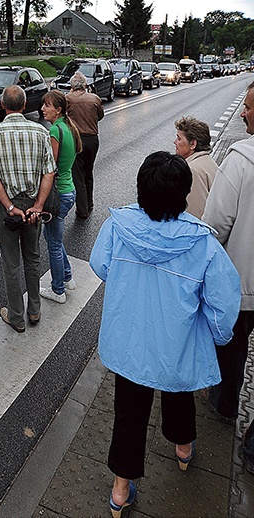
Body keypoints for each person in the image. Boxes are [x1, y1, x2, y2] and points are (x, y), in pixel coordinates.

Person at [90, 151, 240, 517]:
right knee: (179, 394)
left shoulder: (118, 226)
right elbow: (224, 304)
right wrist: (219, 338)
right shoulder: (202, 243)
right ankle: (184, 449)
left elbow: (100, 265)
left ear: (141, 189)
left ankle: (121, 490)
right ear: (184, 194)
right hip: (178, 342)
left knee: (128, 413)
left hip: (128, 343)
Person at [203, 81, 254, 457]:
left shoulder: (240, 159)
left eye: (249, 108)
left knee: (232, 348)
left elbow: (216, 223)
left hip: (243, 282)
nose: (243, 113)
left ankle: (224, 405)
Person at [0, 85, 56, 332]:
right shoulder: (40, 132)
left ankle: (16, 316)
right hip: (33, 205)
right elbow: (49, 172)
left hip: (9, 207)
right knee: (33, 257)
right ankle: (34, 310)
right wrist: (38, 205)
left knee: (11, 262)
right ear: (25, 106)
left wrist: (10, 205)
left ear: (3, 106)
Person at [40, 90, 82, 303]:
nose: (42, 109)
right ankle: (67, 277)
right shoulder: (68, 127)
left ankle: (58, 291)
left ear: (58, 110)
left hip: (58, 194)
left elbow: (51, 168)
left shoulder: (55, 131)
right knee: (52, 238)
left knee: (53, 244)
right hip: (69, 190)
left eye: (47, 106)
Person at [67, 71, 104, 219]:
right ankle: (89, 203)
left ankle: (82, 209)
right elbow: (100, 116)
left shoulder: (67, 99)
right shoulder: (95, 98)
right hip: (93, 140)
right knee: (89, 172)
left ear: (71, 86)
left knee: (78, 175)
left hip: (77, 139)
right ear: (85, 85)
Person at [173, 116, 217, 219]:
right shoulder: (208, 161)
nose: (175, 142)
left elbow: (194, 214)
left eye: (179, 138)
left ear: (193, 144)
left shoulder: (192, 170)